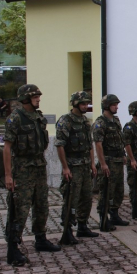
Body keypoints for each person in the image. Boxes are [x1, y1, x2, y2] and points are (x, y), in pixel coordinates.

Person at [3, 84, 60, 266]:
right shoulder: (15, 119)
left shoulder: (38, 117)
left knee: (41, 204)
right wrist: (8, 176)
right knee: (20, 208)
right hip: (22, 169)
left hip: (39, 166)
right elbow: (7, 148)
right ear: (25, 99)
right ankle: (13, 247)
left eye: (38, 96)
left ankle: (41, 238)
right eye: (35, 97)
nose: (38, 99)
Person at [55, 91, 99, 243]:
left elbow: (90, 145)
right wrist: (65, 167)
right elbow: (60, 145)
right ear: (74, 104)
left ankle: (82, 226)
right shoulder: (65, 121)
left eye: (87, 103)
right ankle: (67, 229)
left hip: (85, 166)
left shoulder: (86, 121)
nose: (85, 106)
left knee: (86, 198)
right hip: (72, 167)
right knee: (71, 199)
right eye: (82, 103)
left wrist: (93, 164)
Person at [92, 94, 128, 231]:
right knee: (106, 190)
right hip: (108, 161)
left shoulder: (116, 120)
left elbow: (120, 139)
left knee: (118, 190)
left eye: (116, 104)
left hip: (118, 160)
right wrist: (103, 164)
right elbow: (98, 145)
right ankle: (103, 218)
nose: (116, 107)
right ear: (106, 106)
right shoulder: (100, 123)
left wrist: (123, 154)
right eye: (114, 104)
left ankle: (114, 214)